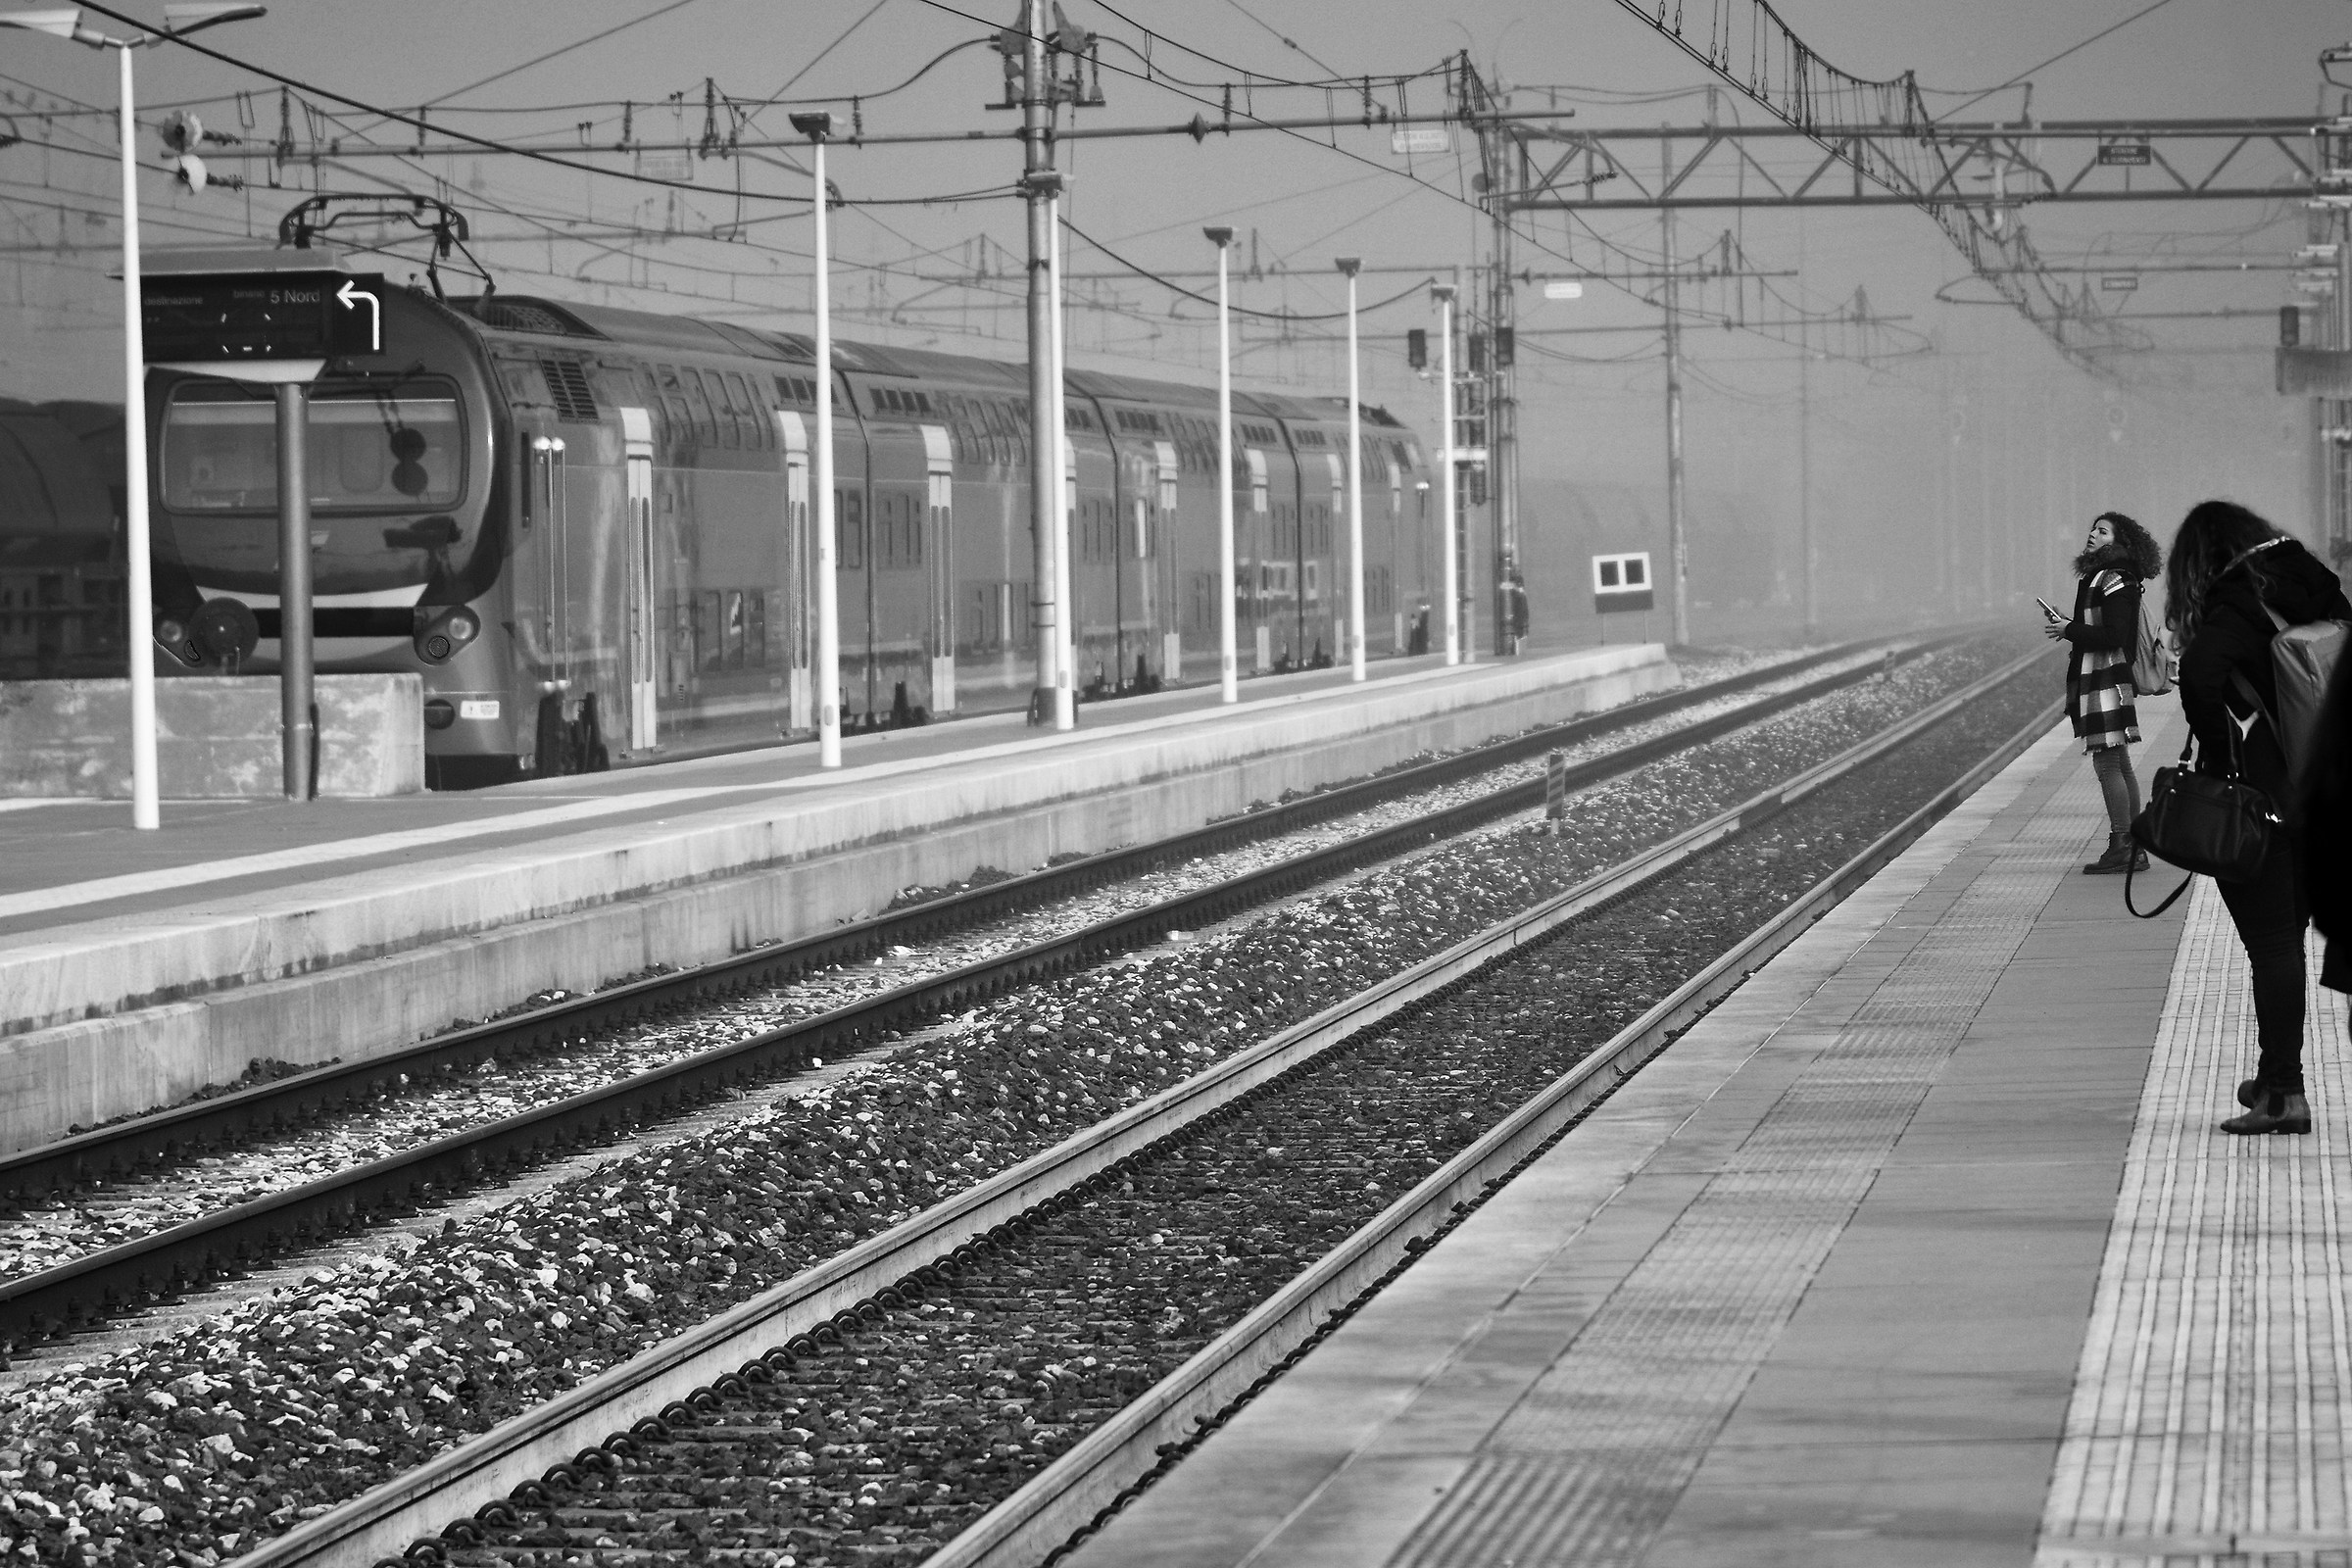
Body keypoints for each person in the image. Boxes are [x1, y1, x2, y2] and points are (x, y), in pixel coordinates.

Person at [2168, 500, 2352, 1136]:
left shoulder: (2234, 603)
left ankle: (2282, 1093)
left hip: (2265, 798)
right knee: (2286, 941)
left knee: (2271, 945)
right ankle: (2275, 1073)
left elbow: (2199, 675)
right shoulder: (2313, 584)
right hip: (2319, 791)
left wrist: (2225, 757)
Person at [2046, 511, 2163, 874]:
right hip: (2103, 677)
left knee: (2108, 763)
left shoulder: (2113, 578)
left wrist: (2070, 630)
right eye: (2092, 529)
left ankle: (2123, 844)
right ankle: (2132, 845)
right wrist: (2071, 625)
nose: (2093, 535)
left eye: (2102, 531)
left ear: (2119, 541)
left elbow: (2114, 635)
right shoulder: (2107, 576)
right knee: (2120, 762)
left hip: (2105, 677)